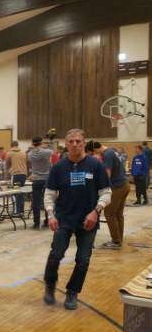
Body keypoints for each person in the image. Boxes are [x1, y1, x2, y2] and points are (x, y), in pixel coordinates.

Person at [43, 129, 111, 310]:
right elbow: (49, 195)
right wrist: (50, 215)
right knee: (55, 255)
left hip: (88, 220)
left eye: (78, 141)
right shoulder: (58, 168)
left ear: (84, 143)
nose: (74, 144)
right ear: (66, 144)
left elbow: (106, 193)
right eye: (71, 141)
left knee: (83, 260)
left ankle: (72, 291)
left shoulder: (95, 166)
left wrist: (96, 211)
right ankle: (50, 285)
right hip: (64, 219)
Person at [91, 142, 130, 249]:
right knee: (118, 214)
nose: (95, 154)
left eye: (94, 152)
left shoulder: (107, 154)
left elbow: (107, 174)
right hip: (124, 185)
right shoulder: (112, 151)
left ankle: (116, 241)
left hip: (117, 187)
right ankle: (118, 239)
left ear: (96, 149)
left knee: (109, 213)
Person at [27, 136, 53, 229]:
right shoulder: (46, 152)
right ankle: (47, 221)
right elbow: (52, 150)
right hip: (47, 179)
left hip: (36, 179)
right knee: (47, 201)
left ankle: (36, 223)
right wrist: (49, 142)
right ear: (41, 143)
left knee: (36, 202)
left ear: (32, 143)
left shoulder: (30, 154)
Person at [5, 141, 28, 215]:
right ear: (17, 145)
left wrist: (7, 175)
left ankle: (17, 211)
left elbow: (7, 165)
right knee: (21, 192)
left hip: (15, 174)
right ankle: (21, 211)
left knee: (15, 193)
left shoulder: (9, 153)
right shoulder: (23, 153)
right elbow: (27, 163)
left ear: (11, 146)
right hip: (24, 174)